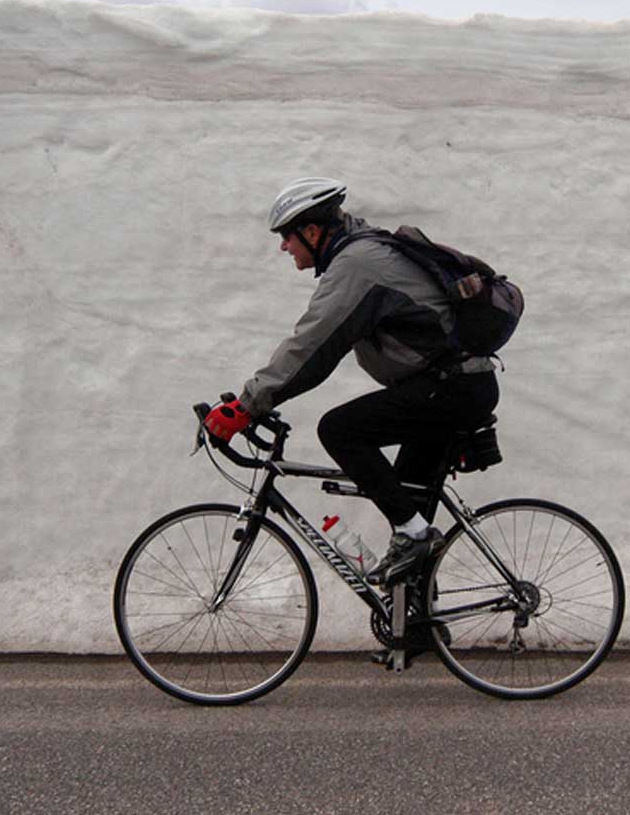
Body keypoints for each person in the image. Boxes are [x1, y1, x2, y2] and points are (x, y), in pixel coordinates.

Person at [203, 176, 500, 586]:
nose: (282, 247)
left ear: (311, 231)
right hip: (451, 387)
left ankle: (414, 535)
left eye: (287, 237)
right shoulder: (362, 255)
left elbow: (312, 346)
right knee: (408, 508)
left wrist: (249, 404)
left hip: (451, 388)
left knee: (340, 429)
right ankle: (413, 630)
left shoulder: (358, 266)